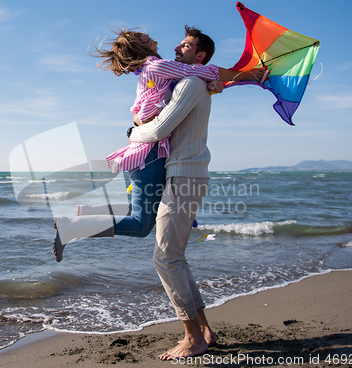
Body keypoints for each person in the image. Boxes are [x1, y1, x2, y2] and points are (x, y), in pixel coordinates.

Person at [128, 26, 266, 360]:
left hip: (184, 175)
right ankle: (204, 330)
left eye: (186, 45)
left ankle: (193, 338)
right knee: (175, 256)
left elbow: (160, 129)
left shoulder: (190, 83)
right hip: (185, 174)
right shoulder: (191, 81)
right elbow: (213, 81)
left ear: (199, 55)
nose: (177, 46)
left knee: (165, 257)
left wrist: (133, 133)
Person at [52, 28, 224, 262]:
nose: (155, 39)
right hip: (150, 153)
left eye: (184, 45)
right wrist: (243, 76)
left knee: (145, 211)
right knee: (142, 225)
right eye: (146, 39)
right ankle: (71, 227)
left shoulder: (162, 74)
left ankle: (85, 215)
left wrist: (216, 83)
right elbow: (191, 76)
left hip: (150, 154)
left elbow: (189, 82)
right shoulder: (158, 68)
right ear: (142, 47)